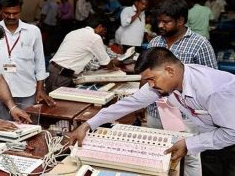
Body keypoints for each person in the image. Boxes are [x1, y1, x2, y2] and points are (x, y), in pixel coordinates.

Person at [70, 47, 235, 176]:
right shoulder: (165, 82)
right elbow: (129, 103)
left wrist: (190, 143)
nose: (149, 85)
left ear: (170, 71)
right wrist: (88, 124)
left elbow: (232, 133)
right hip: (213, 138)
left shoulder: (213, 91)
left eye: (151, 79)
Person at [147, 0, 218, 175]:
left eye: (166, 22)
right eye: (159, 21)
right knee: (158, 154)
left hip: (186, 114)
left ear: (180, 21)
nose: (161, 25)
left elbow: (211, 80)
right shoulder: (155, 43)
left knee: (190, 157)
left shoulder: (200, 44)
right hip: (155, 111)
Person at [0, 0, 55, 121]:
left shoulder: (33, 31)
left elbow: (40, 62)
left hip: (27, 91)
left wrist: (40, 89)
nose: (11, 17)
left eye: (15, 13)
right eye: (7, 13)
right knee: (1, 129)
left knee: (28, 128)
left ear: (20, 10)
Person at [45, 15, 115, 93]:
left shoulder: (74, 32)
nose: (104, 34)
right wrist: (115, 69)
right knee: (57, 102)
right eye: (105, 30)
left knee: (49, 99)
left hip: (53, 69)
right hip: (62, 75)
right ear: (100, 26)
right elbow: (106, 62)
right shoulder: (95, 37)